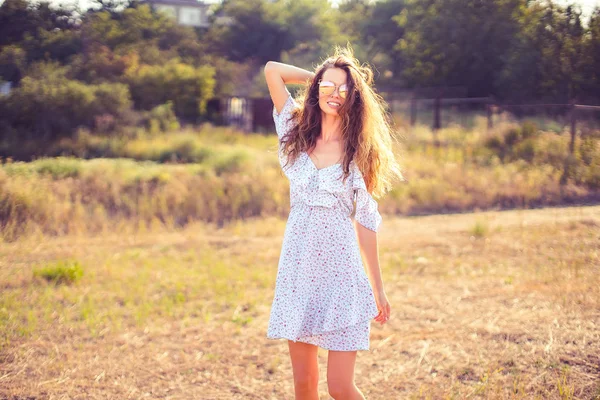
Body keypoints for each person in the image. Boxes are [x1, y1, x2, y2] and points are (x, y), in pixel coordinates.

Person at [264, 46, 404, 400]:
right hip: (299, 271)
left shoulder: (358, 151)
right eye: (329, 87)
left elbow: (366, 223)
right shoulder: (295, 130)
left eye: (345, 90)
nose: (336, 94)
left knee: (340, 387)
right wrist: (321, 83)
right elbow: (272, 70)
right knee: (304, 386)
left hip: (342, 275)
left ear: (354, 97)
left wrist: (379, 288)